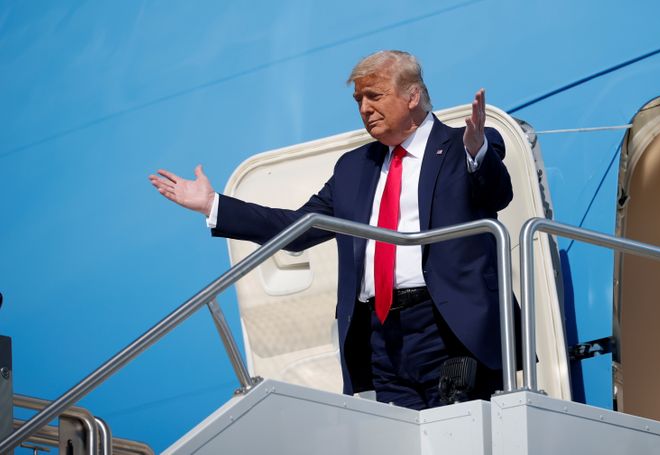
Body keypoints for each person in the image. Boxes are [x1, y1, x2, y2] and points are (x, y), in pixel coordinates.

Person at [149, 50, 513, 410]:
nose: (365, 108)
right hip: (381, 336)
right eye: (359, 100)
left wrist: (477, 152)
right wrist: (214, 204)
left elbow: (498, 193)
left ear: (412, 95)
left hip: (448, 328)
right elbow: (299, 229)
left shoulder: (464, 145)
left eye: (375, 95)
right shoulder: (354, 168)